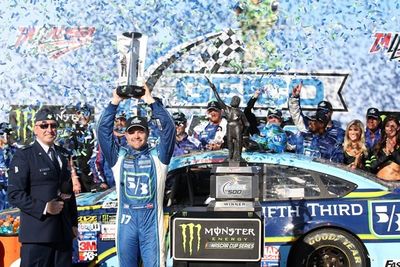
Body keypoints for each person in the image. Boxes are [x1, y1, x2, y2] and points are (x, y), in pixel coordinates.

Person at [97, 84, 175, 267]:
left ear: (147, 134)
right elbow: (102, 131)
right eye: (132, 132)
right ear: (125, 135)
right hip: (126, 224)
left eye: (141, 131)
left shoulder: (159, 156)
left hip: (151, 225)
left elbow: (169, 129)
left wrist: (150, 100)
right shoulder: (119, 157)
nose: (136, 136)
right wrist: (115, 101)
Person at [7, 108, 78, 267]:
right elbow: (14, 194)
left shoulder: (64, 154)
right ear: (35, 129)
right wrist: (44, 207)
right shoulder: (24, 155)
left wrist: (74, 224)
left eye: (53, 125)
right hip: (37, 235)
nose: (49, 130)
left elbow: (68, 192)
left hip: (63, 234)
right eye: (44, 126)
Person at [207, 77, 249, 161]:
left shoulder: (240, 112)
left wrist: (244, 132)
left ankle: (238, 156)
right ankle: (230, 156)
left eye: (236, 100)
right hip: (230, 126)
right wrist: (214, 89)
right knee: (230, 141)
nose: (234, 101)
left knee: (238, 142)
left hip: (236, 126)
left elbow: (247, 124)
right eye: (234, 99)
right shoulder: (227, 109)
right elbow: (219, 100)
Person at [366, 115, 400, 181]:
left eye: (393, 126)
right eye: (387, 126)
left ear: (398, 127)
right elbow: (371, 167)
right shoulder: (378, 145)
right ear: (384, 128)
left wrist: (393, 151)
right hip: (379, 182)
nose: (390, 129)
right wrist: (386, 155)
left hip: (397, 184)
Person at [0, 122, 17, 210]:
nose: (5, 137)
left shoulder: (15, 150)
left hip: (13, 186)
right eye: (2, 134)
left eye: (8, 134)